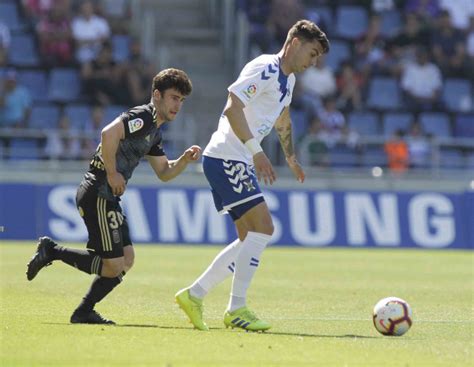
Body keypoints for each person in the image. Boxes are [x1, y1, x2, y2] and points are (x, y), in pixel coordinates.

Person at [175, 19, 329, 332]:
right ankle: (237, 308)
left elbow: (282, 119)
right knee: (264, 227)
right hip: (228, 155)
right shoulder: (265, 68)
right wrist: (257, 152)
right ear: (295, 43)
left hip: (235, 158)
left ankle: (195, 295)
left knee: (250, 237)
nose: (313, 63)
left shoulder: (288, 81)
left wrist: (290, 156)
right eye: (312, 54)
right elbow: (233, 107)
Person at [26, 68, 202, 324]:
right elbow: (109, 133)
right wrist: (111, 173)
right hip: (98, 190)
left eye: (182, 100)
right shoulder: (143, 116)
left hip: (108, 196)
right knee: (112, 265)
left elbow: (164, 172)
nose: (178, 105)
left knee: (126, 260)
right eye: (174, 97)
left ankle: (84, 311)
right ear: (157, 95)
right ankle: (52, 252)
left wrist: (184, 160)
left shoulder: (155, 131)